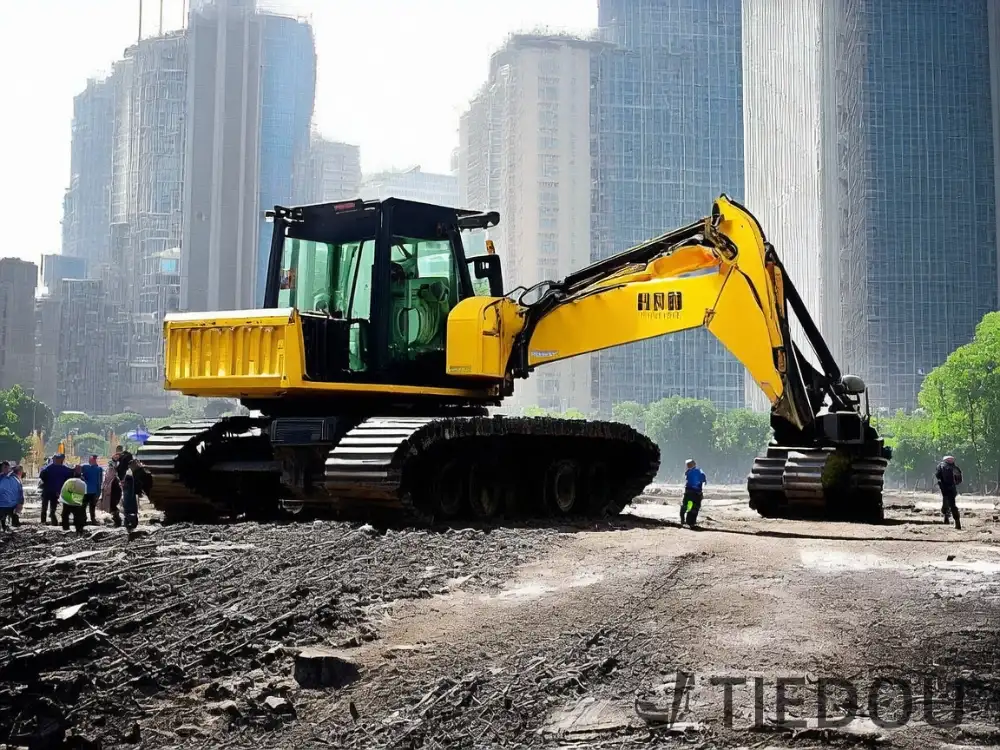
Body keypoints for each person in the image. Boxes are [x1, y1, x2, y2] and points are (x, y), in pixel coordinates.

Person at [38, 454, 73, 526]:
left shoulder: (48, 468)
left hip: (48, 490)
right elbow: (71, 474)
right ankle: (52, 521)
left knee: (45, 507)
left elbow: (41, 476)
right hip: (54, 491)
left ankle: (44, 522)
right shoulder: (64, 469)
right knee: (52, 508)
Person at [935, 455, 963, 530]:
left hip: (945, 488)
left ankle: (947, 517)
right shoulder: (955, 468)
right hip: (952, 488)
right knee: (952, 504)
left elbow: (937, 476)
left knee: (946, 503)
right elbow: (959, 479)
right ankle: (957, 522)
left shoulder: (940, 466)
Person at [59, 468, 88, 534]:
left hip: (67, 501)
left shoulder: (68, 481)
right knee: (77, 516)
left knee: (65, 515)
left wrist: (62, 499)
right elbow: (84, 494)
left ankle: (65, 529)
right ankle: (79, 530)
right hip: (76, 502)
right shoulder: (83, 483)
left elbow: (63, 491)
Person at [681, 458, 707, 528]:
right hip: (696, 493)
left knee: (685, 506)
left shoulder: (688, 472)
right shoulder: (699, 471)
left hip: (689, 492)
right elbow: (703, 479)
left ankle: (683, 520)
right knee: (695, 507)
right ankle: (691, 522)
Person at [80, 454, 104, 525]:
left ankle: (92, 520)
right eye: (92, 459)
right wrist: (82, 478)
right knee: (83, 506)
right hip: (85, 491)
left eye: (94, 459)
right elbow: (78, 473)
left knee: (92, 507)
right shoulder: (85, 467)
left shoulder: (99, 469)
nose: (93, 460)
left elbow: (100, 481)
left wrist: (98, 492)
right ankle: (84, 520)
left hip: (93, 491)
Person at [0, 461, 22, 531]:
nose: (6, 469)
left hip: (12, 504)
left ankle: (9, 528)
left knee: (14, 522)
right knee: (2, 519)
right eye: (4, 467)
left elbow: (20, 490)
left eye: (7, 467)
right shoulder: (1, 478)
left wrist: (20, 502)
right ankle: (4, 527)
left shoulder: (14, 478)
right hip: (2, 504)